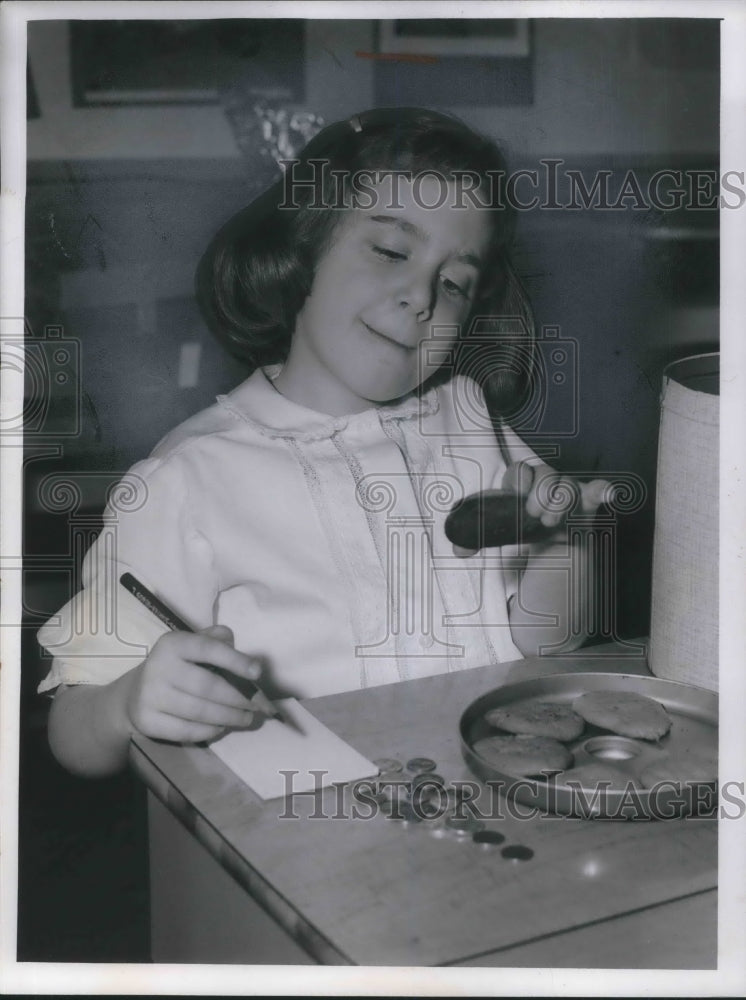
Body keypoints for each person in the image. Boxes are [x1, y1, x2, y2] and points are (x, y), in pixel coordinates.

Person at [39, 107, 610, 777]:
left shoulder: (466, 417)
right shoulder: (190, 477)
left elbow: (546, 640)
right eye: (392, 250)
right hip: (302, 846)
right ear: (302, 246)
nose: (421, 295)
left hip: (484, 818)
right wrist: (126, 705)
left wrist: (561, 538)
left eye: (455, 282)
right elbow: (71, 731)